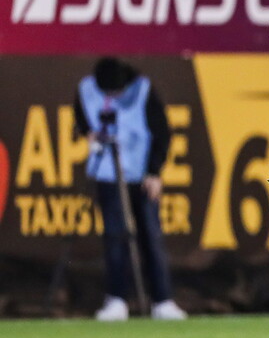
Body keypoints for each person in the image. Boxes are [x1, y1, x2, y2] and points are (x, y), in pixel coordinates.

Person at [74, 57, 187, 322]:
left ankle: (162, 301)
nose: (112, 96)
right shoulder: (87, 89)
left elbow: (162, 133)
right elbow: (81, 120)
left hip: (141, 177)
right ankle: (116, 300)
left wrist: (154, 172)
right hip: (107, 175)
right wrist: (88, 133)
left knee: (151, 236)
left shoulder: (143, 90)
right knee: (114, 238)